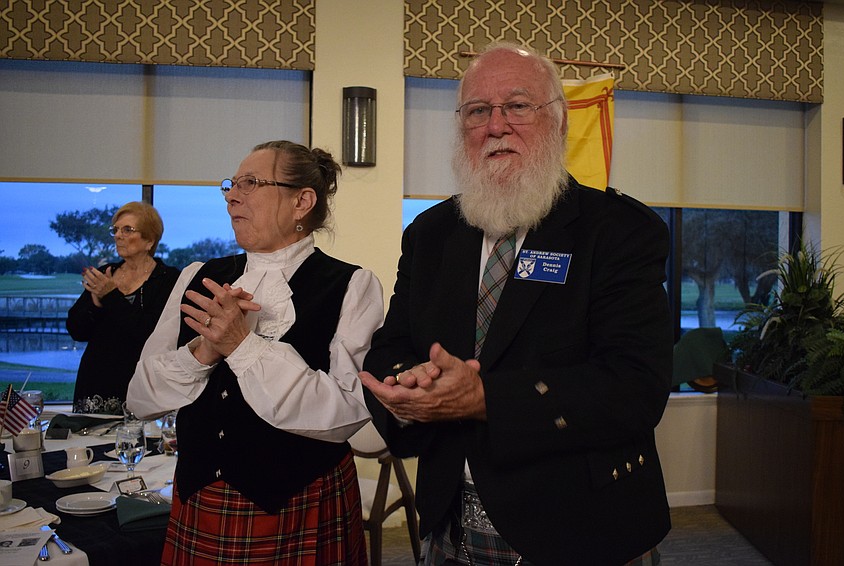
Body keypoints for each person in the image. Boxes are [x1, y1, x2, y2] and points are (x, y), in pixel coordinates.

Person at [359, 42, 673, 566]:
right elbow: (393, 346)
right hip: (448, 524)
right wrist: (404, 387)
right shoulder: (430, 233)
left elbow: (634, 386)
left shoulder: (619, 230)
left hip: (580, 527)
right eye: (478, 111)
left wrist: (484, 398)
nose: (496, 125)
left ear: (558, 122)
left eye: (518, 106)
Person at [127, 140, 383, 565]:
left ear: (302, 201)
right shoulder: (197, 276)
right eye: (231, 183)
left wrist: (243, 347)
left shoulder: (352, 285)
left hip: (300, 502)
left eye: (251, 182)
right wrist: (205, 350)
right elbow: (140, 396)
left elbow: (347, 413)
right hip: (200, 500)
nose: (231, 194)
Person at [66, 201, 179, 414]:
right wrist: (97, 303)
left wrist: (110, 296)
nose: (118, 235)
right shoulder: (105, 273)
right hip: (94, 384)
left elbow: (148, 333)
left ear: (149, 240)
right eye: (116, 230)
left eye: (128, 230)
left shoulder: (167, 279)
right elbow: (76, 330)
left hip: (139, 385)